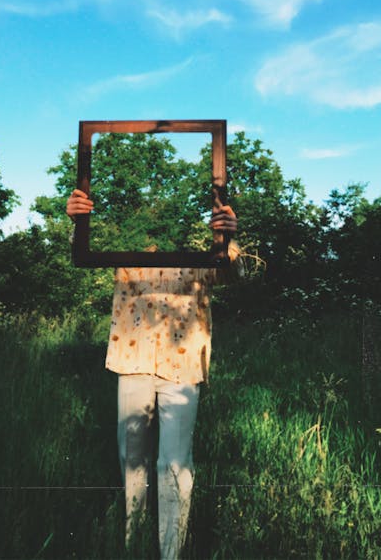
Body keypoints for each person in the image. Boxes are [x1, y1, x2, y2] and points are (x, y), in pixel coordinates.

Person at [66, 188, 248, 559]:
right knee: (131, 460)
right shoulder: (125, 256)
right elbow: (82, 255)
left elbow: (233, 274)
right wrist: (79, 223)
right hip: (131, 363)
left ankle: (171, 552)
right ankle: (133, 545)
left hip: (181, 370)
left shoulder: (198, 258)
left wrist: (229, 237)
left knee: (175, 463)